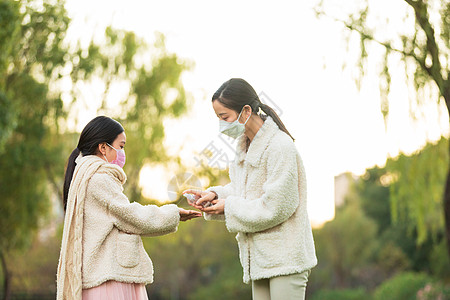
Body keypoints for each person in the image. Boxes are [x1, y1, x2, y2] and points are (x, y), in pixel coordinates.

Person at [185, 78, 317, 300]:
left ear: (246, 111)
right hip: (260, 261)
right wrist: (215, 196)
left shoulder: (280, 146)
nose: (221, 124)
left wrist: (229, 206)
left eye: (224, 117)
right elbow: (242, 192)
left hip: (286, 259)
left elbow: (277, 206)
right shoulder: (242, 150)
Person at [57, 116, 201, 300]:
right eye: (121, 146)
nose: (123, 152)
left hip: (98, 277)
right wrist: (173, 213)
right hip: (108, 280)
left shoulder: (85, 176)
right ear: (103, 147)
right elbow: (131, 216)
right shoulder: (100, 179)